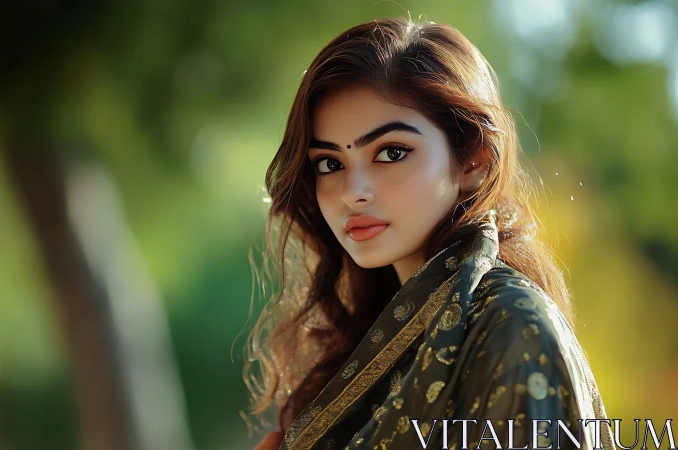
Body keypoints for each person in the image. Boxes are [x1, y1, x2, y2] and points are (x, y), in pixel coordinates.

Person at [245, 18, 615, 450]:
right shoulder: (377, 335)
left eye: (391, 152)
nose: (352, 193)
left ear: (472, 160)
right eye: (330, 163)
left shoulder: (511, 325)